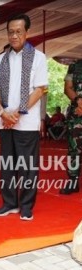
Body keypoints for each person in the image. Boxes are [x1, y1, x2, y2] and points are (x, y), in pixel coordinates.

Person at [0, 13, 48, 221]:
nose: (14, 36)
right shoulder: (0, 59)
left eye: (18, 31)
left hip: (27, 122)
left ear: (27, 32)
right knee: (8, 166)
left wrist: (18, 112)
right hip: (4, 121)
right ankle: (9, 203)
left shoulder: (38, 57)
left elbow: (39, 89)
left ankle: (27, 205)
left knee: (27, 166)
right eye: (10, 32)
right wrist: (3, 113)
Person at [59, 59, 82, 194]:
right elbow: (67, 88)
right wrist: (78, 101)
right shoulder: (74, 67)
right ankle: (73, 181)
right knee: (74, 149)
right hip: (76, 115)